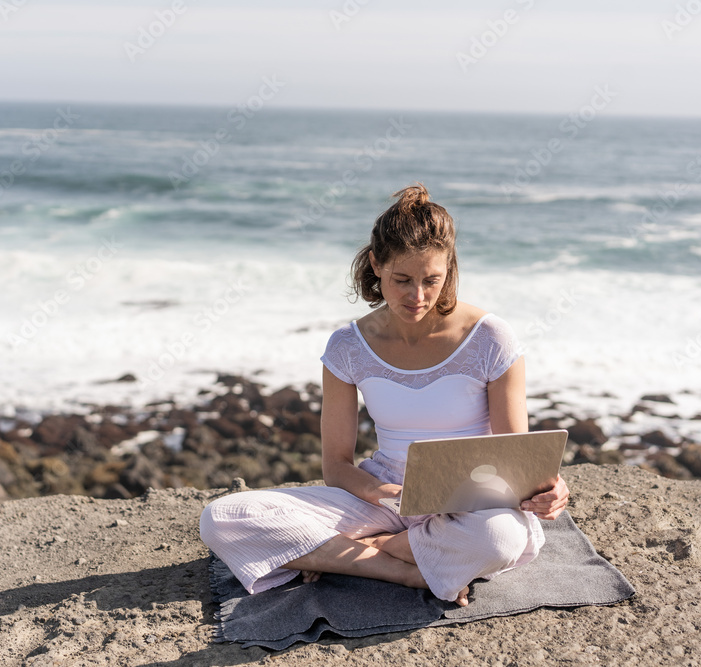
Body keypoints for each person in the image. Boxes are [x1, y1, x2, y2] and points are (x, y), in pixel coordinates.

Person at [199, 183, 569, 606]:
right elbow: (336, 466)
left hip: (472, 502)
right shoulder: (348, 347)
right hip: (386, 493)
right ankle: (399, 569)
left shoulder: (490, 338)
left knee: (501, 537)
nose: (418, 296)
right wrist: (379, 493)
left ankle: (370, 549)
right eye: (403, 280)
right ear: (376, 264)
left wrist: (548, 489)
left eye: (432, 280)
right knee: (224, 517)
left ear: (450, 267)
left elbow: (513, 458)